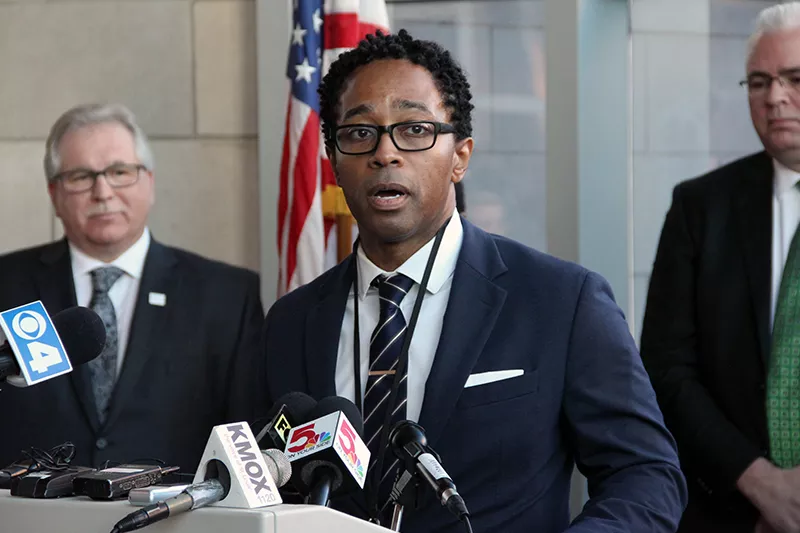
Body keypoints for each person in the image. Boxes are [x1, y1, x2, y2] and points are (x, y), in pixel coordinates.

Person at [260, 30, 686, 533]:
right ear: (334, 161)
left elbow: (645, 475)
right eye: (359, 133)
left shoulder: (561, 301)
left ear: (460, 156)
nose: (385, 153)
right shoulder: (290, 321)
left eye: (414, 129)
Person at [0, 103, 264, 474]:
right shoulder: (8, 284)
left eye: (120, 172)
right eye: (80, 176)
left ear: (149, 182)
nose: (103, 191)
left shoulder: (227, 295)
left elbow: (245, 439)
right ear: (54, 193)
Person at [641, 4, 800, 533]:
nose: (774, 96)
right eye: (759, 81)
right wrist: (758, 481)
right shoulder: (700, 208)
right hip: (731, 512)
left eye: (794, 78)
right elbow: (665, 366)